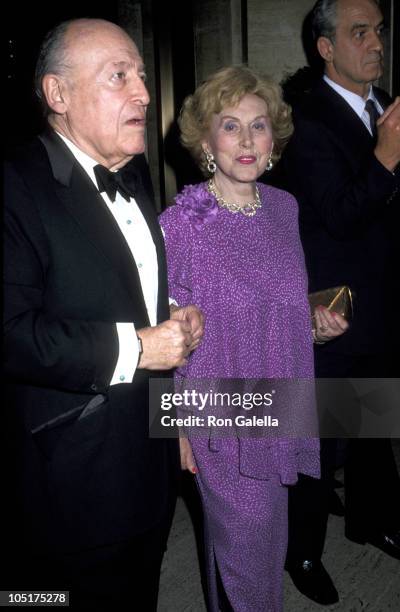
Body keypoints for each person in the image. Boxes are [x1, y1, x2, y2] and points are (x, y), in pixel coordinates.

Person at [3, 18, 204, 610]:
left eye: (140, 74)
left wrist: (170, 316)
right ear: (57, 95)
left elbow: (118, 287)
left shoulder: (134, 173)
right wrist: (140, 347)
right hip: (67, 483)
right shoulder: (15, 186)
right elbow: (11, 333)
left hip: (147, 457)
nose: (143, 92)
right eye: (120, 76)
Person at [159, 65, 348, 612]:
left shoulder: (284, 211)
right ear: (206, 140)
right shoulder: (182, 222)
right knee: (240, 548)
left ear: (274, 140)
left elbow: (277, 311)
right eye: (230, 125)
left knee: (267, 542)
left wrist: (315, 325)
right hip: (219, 412)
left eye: (259, 126)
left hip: (280, 401)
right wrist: (180, 429)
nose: (246, 140)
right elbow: (170, 333)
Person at [272, 0, 400, 605]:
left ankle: (370, 519)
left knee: (373, 418)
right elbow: (340, 216)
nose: (375, 42)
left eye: (378, 30)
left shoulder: (382, 105)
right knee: (321, 437)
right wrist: (387, 157)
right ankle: (302, 550)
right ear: (325, 47)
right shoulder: (307, 118)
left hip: (380, 294)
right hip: (331, 304)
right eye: (359, 32)